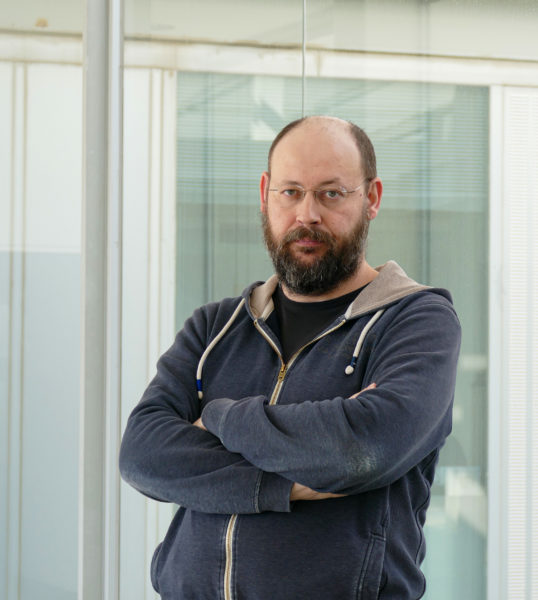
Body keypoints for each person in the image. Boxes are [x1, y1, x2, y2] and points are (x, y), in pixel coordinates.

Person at [119, 116, 461, 599]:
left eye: (331, 193)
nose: (307, 214)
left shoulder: (415, 321)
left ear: (373, 198)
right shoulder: (215, 327)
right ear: (265, 192)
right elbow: (143, 455)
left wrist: (215, 416)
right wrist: (289, 482)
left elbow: (361, 449)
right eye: (290, 191)